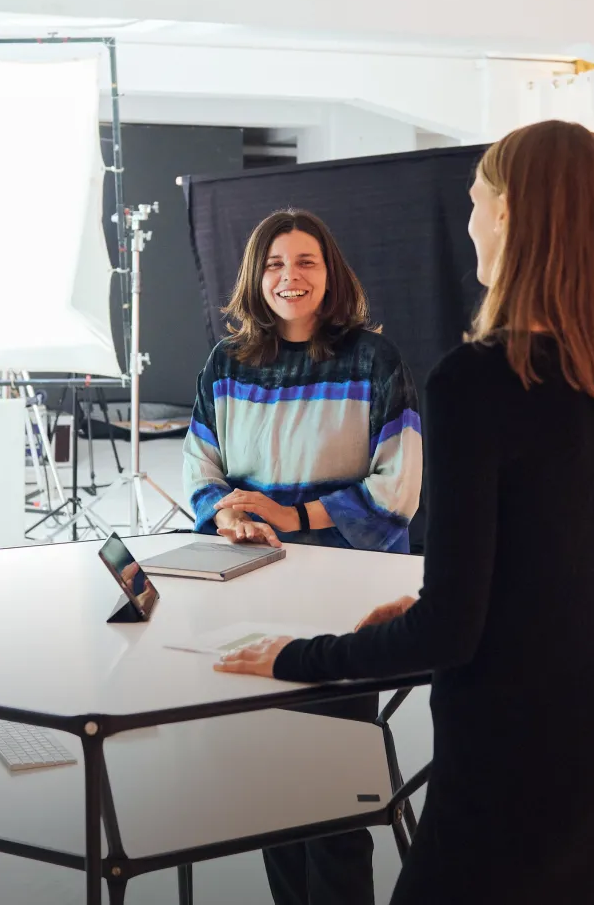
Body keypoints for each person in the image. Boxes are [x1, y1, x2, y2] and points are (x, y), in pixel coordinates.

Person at [215, 121, 594, 905]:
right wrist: (446, 601)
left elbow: (452, 633)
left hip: (506, 770)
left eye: (477, 201)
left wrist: (297, 657)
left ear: (511, 215)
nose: (470, 222)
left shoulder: (474, 383)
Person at [181, 208, 422, 905]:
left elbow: (399, 487)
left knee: (337, 795)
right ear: (256, 276)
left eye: (306, 262)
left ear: (330, 273)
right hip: (252, 591)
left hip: (346, 599)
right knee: (274, 796)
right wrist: (226, 512)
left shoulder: (373, 359)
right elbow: (201, 467)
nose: (290, 277)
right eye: (276, 264)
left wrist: (294, 514)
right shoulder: (225, 365)